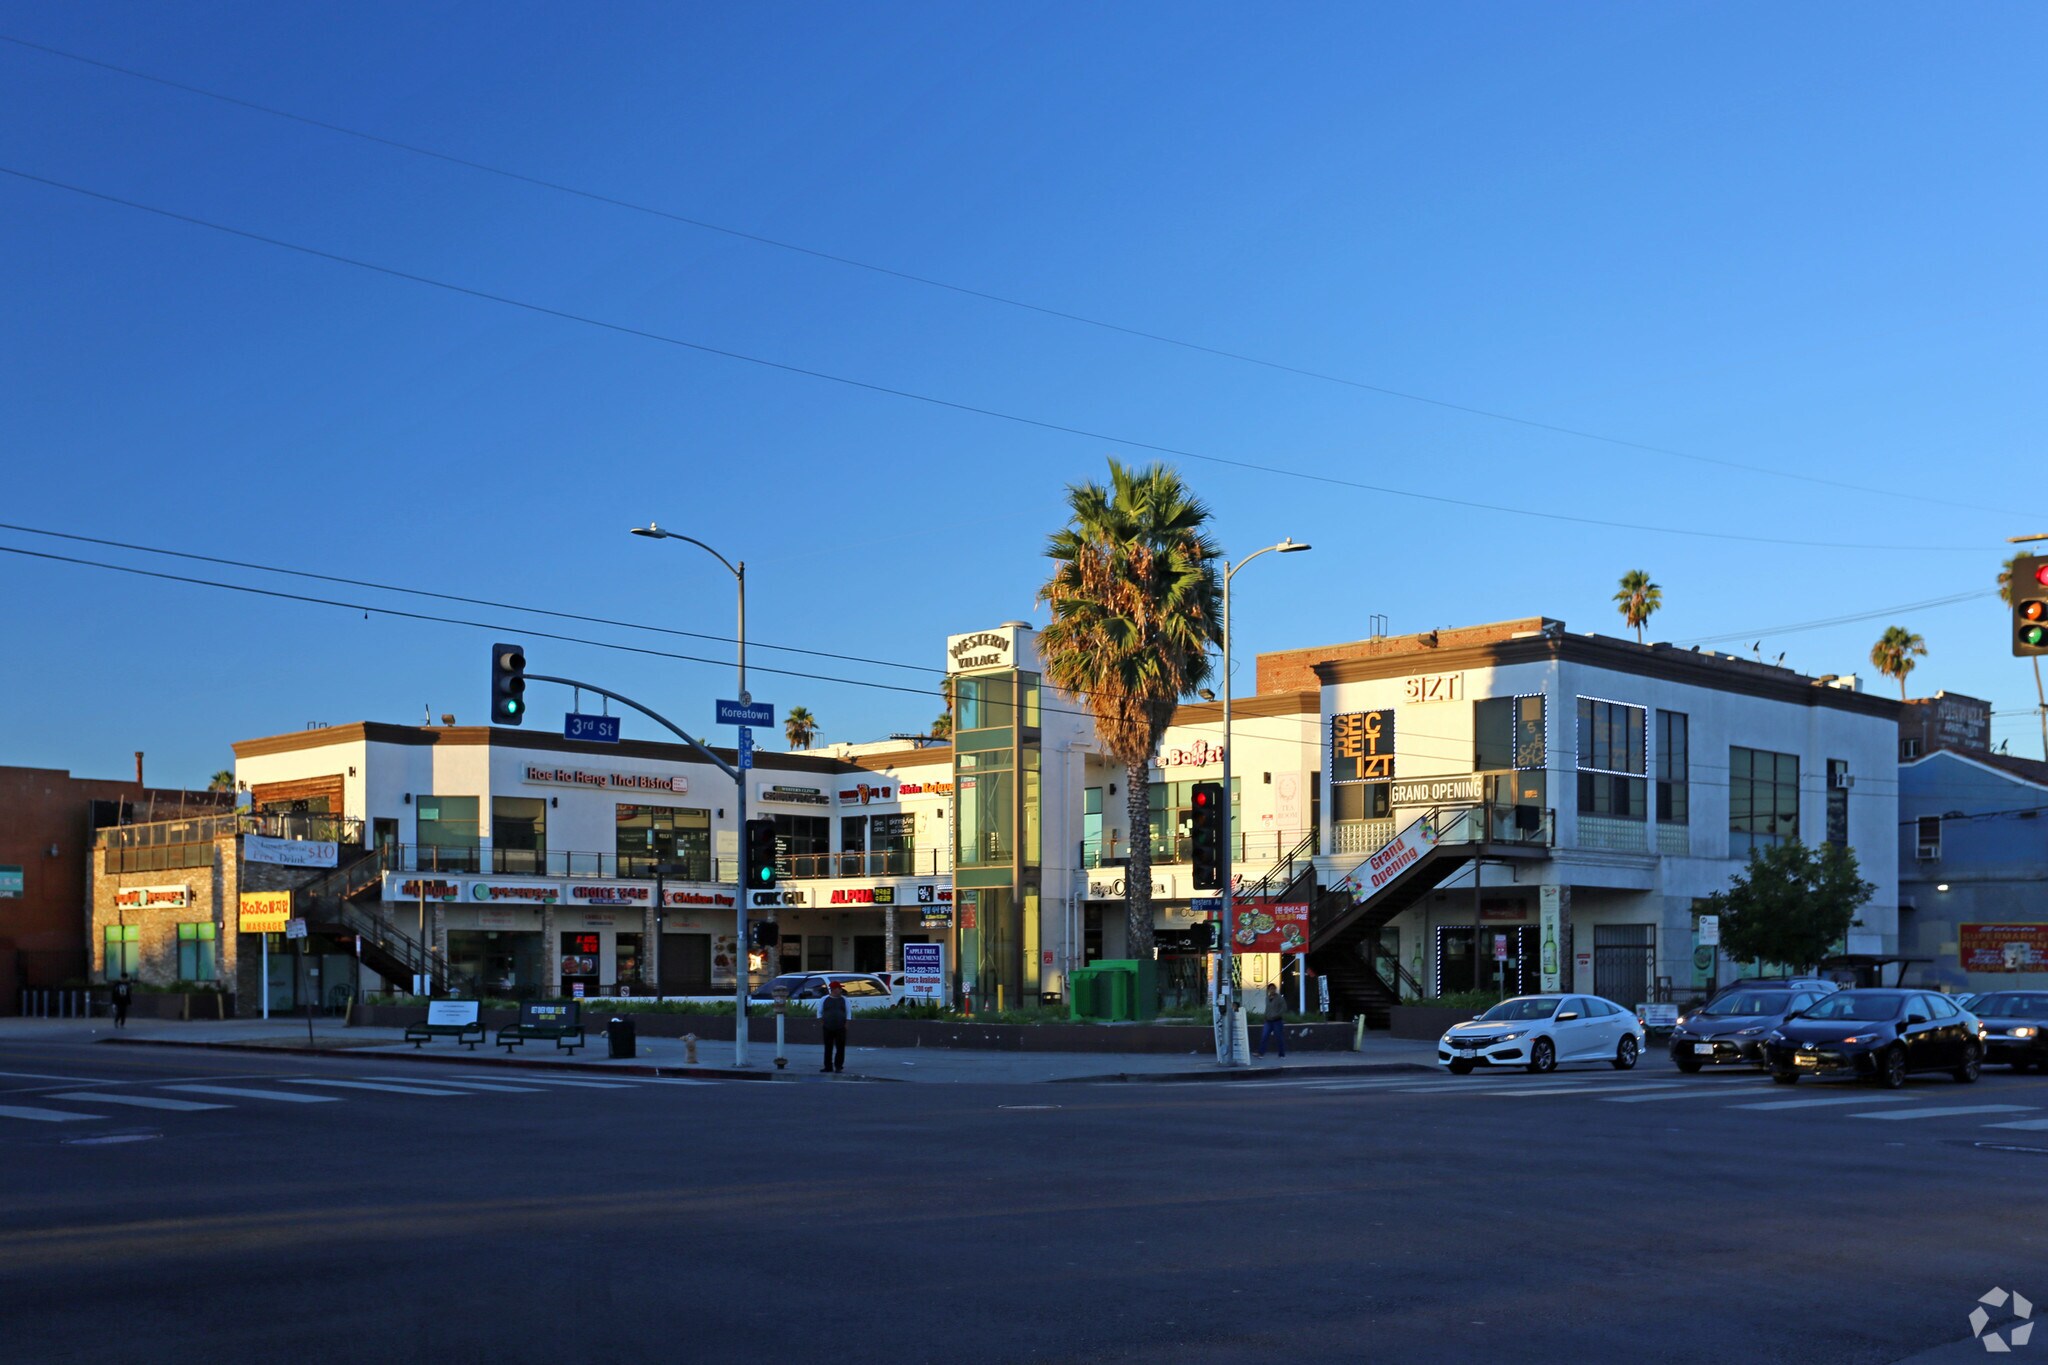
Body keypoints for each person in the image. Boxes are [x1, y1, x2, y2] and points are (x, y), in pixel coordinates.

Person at [819, 981, 849, 1073]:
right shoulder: (824, 999)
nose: (841, 990)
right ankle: (828, 1066)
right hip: (827, 1027)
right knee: (828, 1047)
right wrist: (822, 1022)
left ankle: (838, 1066)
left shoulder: (844, 999)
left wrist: (846, 1023)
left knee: (840, 1047)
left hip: (840, 1027)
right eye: (839, 988)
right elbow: (819, 1012)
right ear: (834, 989)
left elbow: (848, 1012)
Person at [1255, 983, 1286, 1058]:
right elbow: (1267, 1008)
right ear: (1268, 990)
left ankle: (1281, 1054)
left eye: (1274, 988)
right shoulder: (1267, 998)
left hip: (1277, 1021)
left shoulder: (1279, 998)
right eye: (1271, 989)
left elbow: (1284, 1008)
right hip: (1268, 1021)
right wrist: (1265, 1016)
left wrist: (1277, 1015)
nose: (1272, 990)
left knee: (1279, 1037)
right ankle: (1260, 1053)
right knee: (1264, 1036)